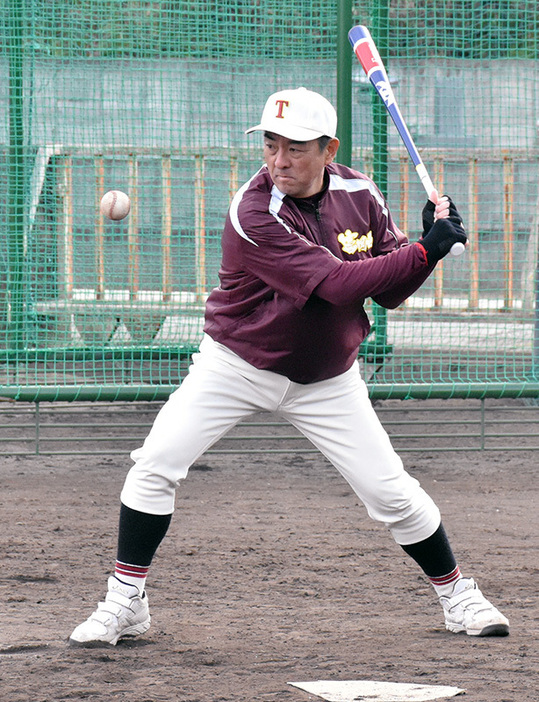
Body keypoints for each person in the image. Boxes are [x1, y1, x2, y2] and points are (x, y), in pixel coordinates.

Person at [69, 87, 509, 646]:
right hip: (237, 364)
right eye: (271, 145)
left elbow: (390, 293)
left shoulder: (361, 192)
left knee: (392, 493)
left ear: (329, 150)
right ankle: (124, 602)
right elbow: (334, 285)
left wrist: (424, 252)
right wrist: (426, 250)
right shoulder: (254, 210)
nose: (279, 160)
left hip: (328, 378)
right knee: (155, 465)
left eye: (296, 147)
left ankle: (457, 596)